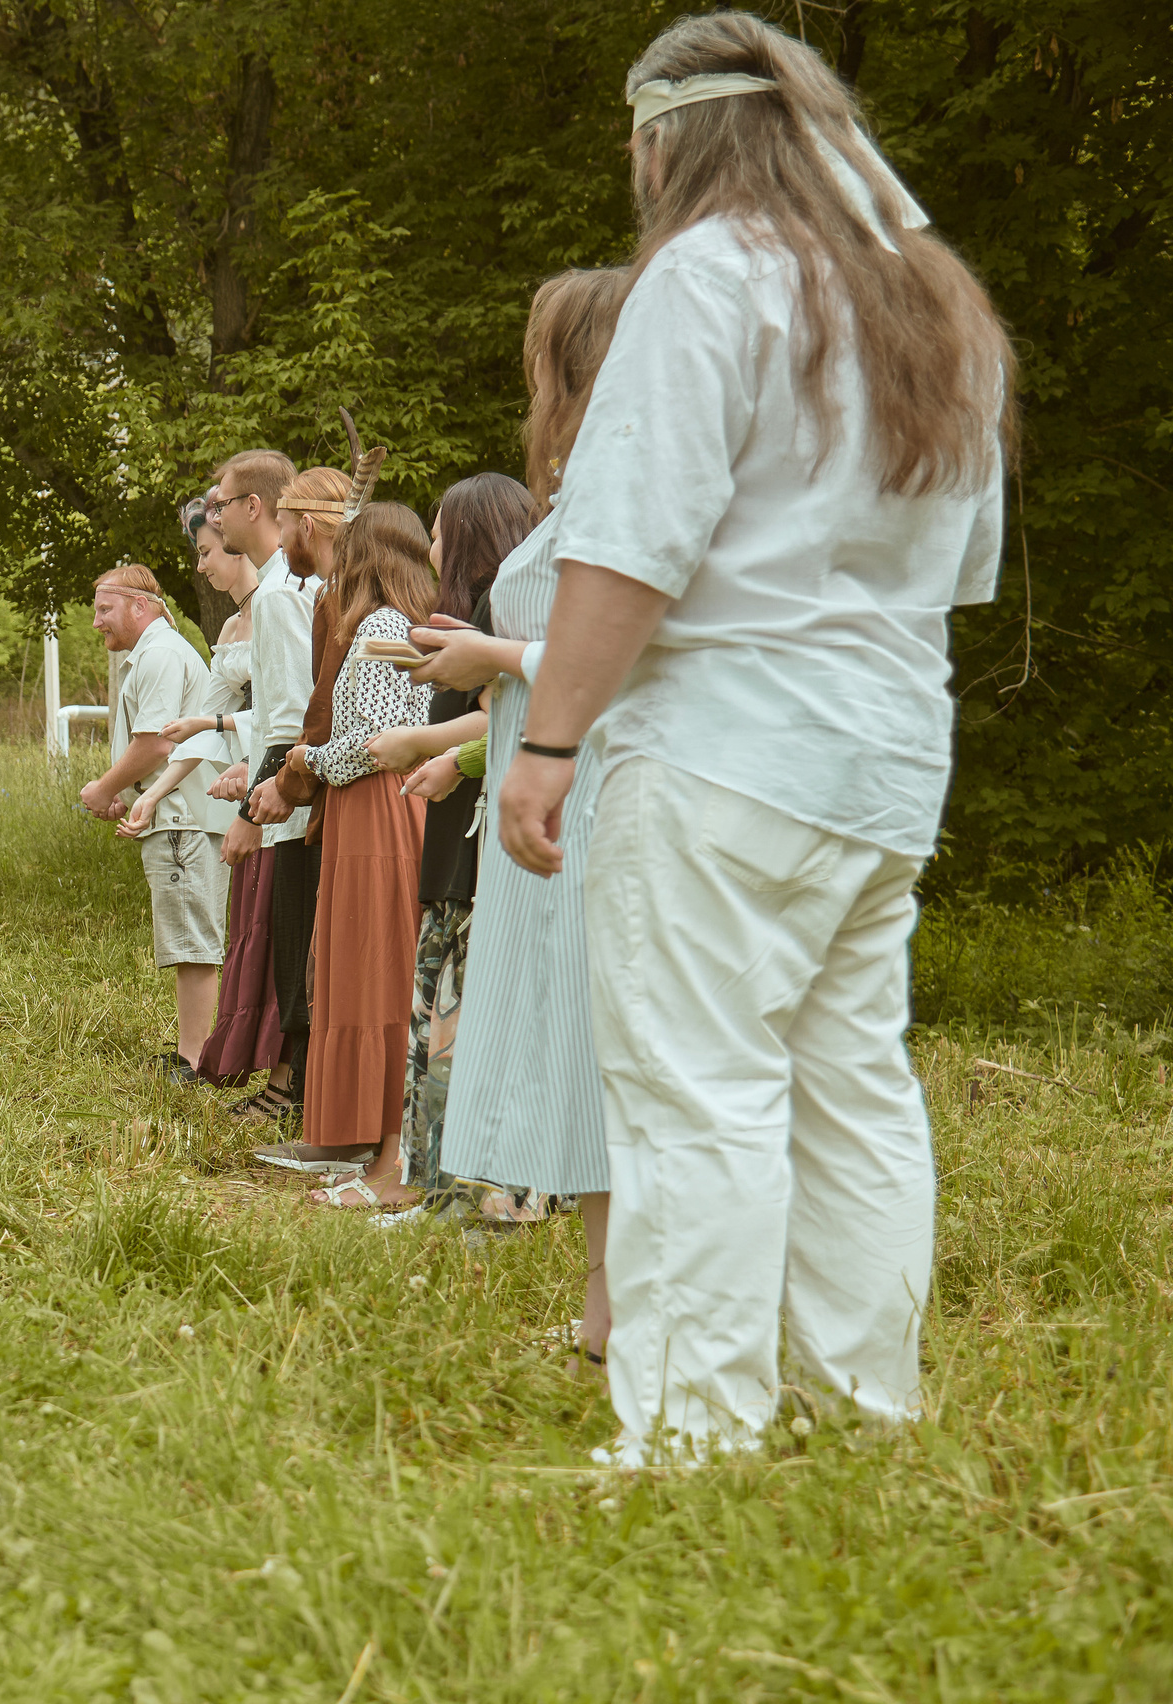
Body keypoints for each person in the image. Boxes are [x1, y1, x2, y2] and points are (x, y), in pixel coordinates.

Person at [496, 13, 1012, 1463]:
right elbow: (956, 568)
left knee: (695, 1094)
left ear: (669, 139)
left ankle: (690, 1437)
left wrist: (548, 745)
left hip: (723, 749)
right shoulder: (933, 302)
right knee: (854, 1091)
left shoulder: (708, 274)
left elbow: (632, 538)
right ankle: (863, 1414)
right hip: (884, 755)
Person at [407, 275, 628, 1361]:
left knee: (608, 1057)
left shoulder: (630, 478)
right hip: (546, 802)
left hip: (600, 803)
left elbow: (633, 656)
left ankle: (638, 1311)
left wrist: (490, 655)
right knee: (579, 1062)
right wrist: (480, 701)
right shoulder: (583, 479)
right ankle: (606, 1311)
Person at [361, 472, 533, 1198]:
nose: (430, 547)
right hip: (461, 836)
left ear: (468, 536)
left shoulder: (501, 607)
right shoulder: (489, 611)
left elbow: (505, 718)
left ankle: (467, 1188)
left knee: (461, 1018)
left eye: (437, 532)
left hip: (479, 849)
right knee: (443, 1016)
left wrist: (424, 745)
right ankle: (439, 1185)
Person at [274, 496, 434, 1208]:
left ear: (364, 558)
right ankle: (367, 1134)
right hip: (381, 811)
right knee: (371, 961)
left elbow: (372, 745)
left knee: (376, 964)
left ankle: (385, 1148)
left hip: (375, 813)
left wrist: (308, 759)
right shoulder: (407, 623)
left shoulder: (380, 626)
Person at [125, 497, 276, 1085]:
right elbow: (203, 729)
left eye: (207, 551)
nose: (201, 565)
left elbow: (281, 712)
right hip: (241, 786)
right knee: (247, 928)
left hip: (277, 781)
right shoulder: (232, 626)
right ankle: (222, 1054)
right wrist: (153, 793)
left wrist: (224, 735)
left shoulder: (279, 604)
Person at [208, 449, 317, 1136]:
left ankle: (293, 1089)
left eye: (222, 503)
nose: (215, 515)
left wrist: (257, 808)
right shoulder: (291, 586)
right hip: (294, 785)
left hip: (293, 803)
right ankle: (291, 1083)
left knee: (295, 943)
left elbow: (291, 712)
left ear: (255, 506)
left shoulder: (280, 594)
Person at [79, 564, 225, 1077]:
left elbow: (157, 743)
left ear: (139, 606)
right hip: (175, 811)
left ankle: (194, 1061)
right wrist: (128, 793)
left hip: (184, 817)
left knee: (193, 943)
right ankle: (191, 1052)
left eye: (105, 609)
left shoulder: (160, 653)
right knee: (187, 939)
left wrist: (105, 788)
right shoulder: (155, 652)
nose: (96, 622)